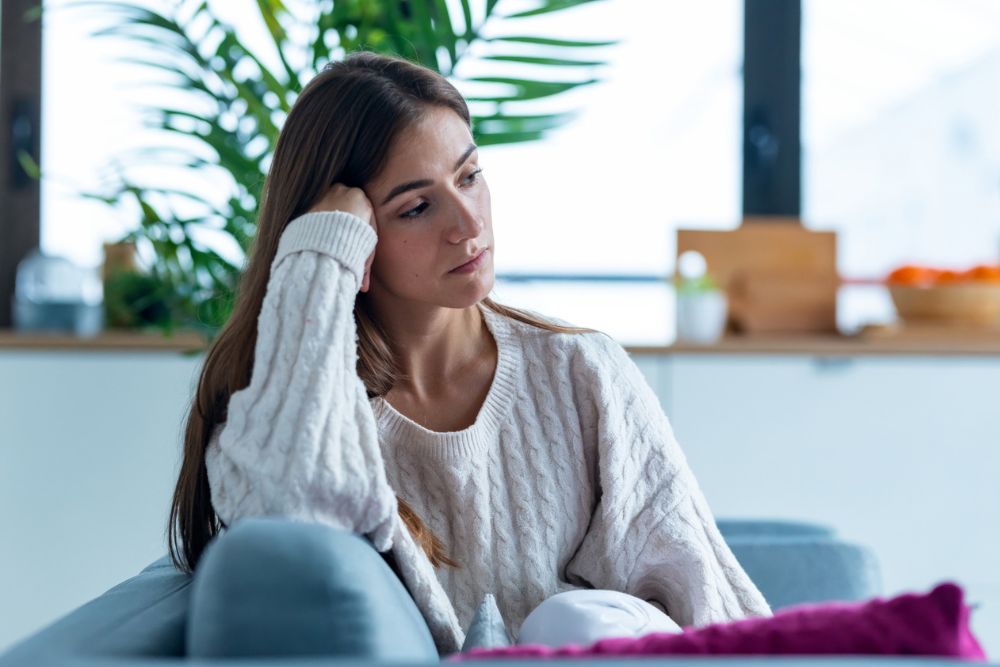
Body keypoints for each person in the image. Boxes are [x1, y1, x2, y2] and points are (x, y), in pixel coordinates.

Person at [167, 51, 770, 654]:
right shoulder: (298, 414)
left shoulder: (582, 372)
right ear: (353, 237)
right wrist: (319, 258)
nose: (467, 224)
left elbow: (712, 602)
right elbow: (288, 527)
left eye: (470, 176)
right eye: (417, 206)